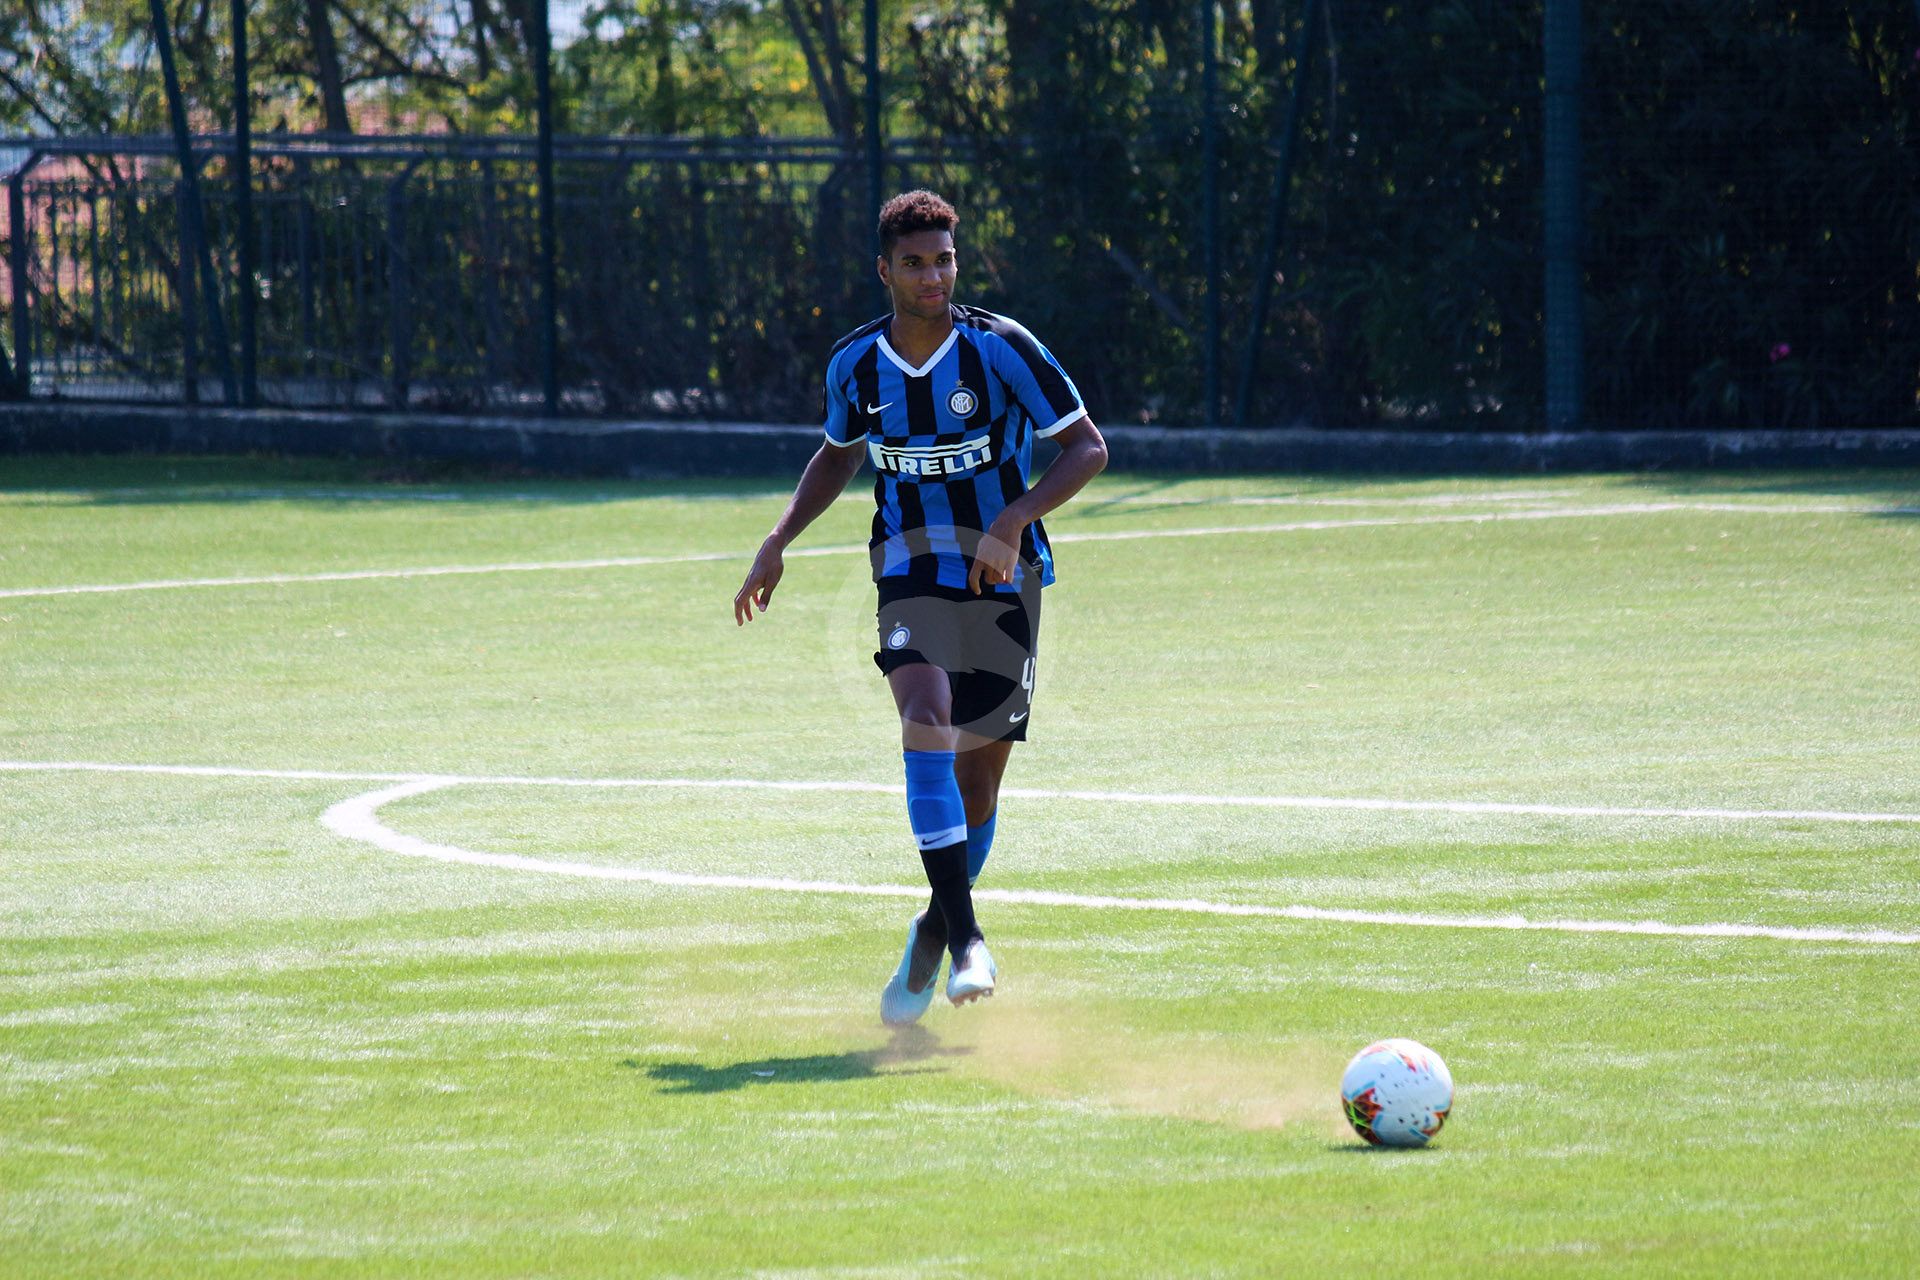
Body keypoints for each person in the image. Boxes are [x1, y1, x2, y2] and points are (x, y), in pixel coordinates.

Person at [733, 189, 1108, 1023]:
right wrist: (778, 539)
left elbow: (1087, 448)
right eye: (914, 263)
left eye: (943, 260)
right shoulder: (855, 364)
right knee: (925, 718)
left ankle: (933, 931)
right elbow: (838, 455)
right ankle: (970, 937)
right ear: (885, 271)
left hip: (1002, 577)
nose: (932, 276)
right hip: (906, 569)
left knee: (979, 790)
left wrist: (1014, 519)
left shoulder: (1002, 349)